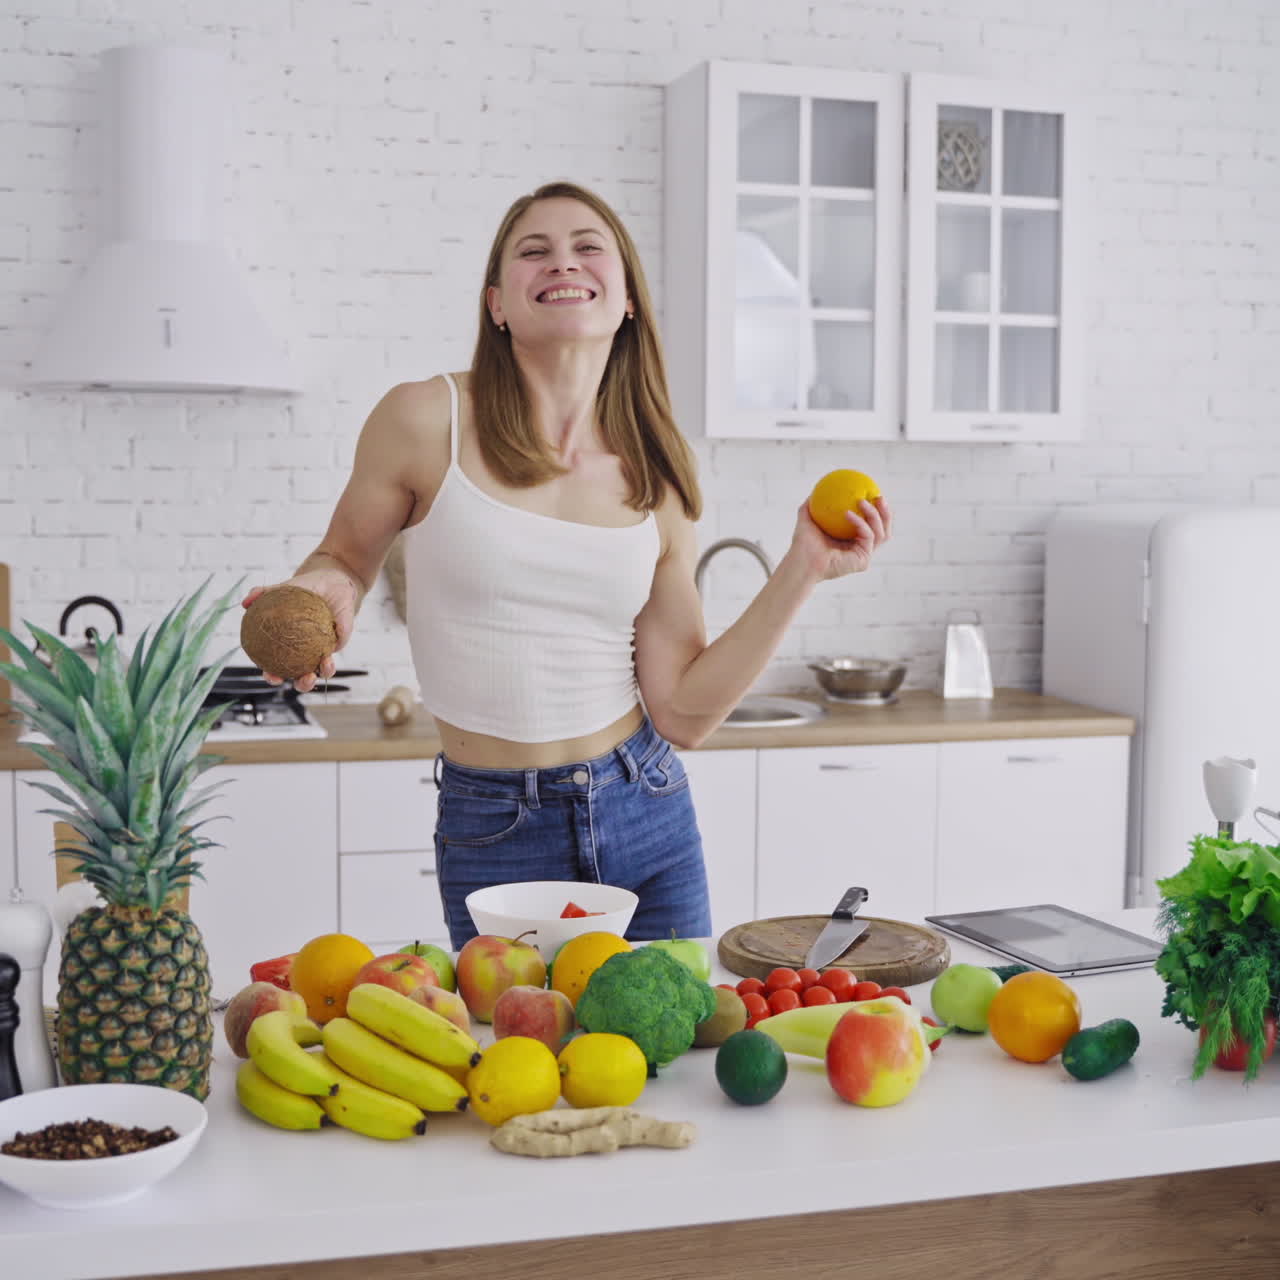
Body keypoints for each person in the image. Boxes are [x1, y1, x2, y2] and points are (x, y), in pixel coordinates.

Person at [243, 180, 891, 950]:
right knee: (522, 1065)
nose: (563, 261)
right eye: (534, 249)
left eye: (589, 246)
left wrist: (804, 567)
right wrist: (322, 585)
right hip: (496, 825)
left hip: (644, 806)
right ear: (497, 304)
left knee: (669, 1061)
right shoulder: (424, 420)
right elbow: (345, 555)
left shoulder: (657, 473)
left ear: (624, 300)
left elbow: (684, 712)